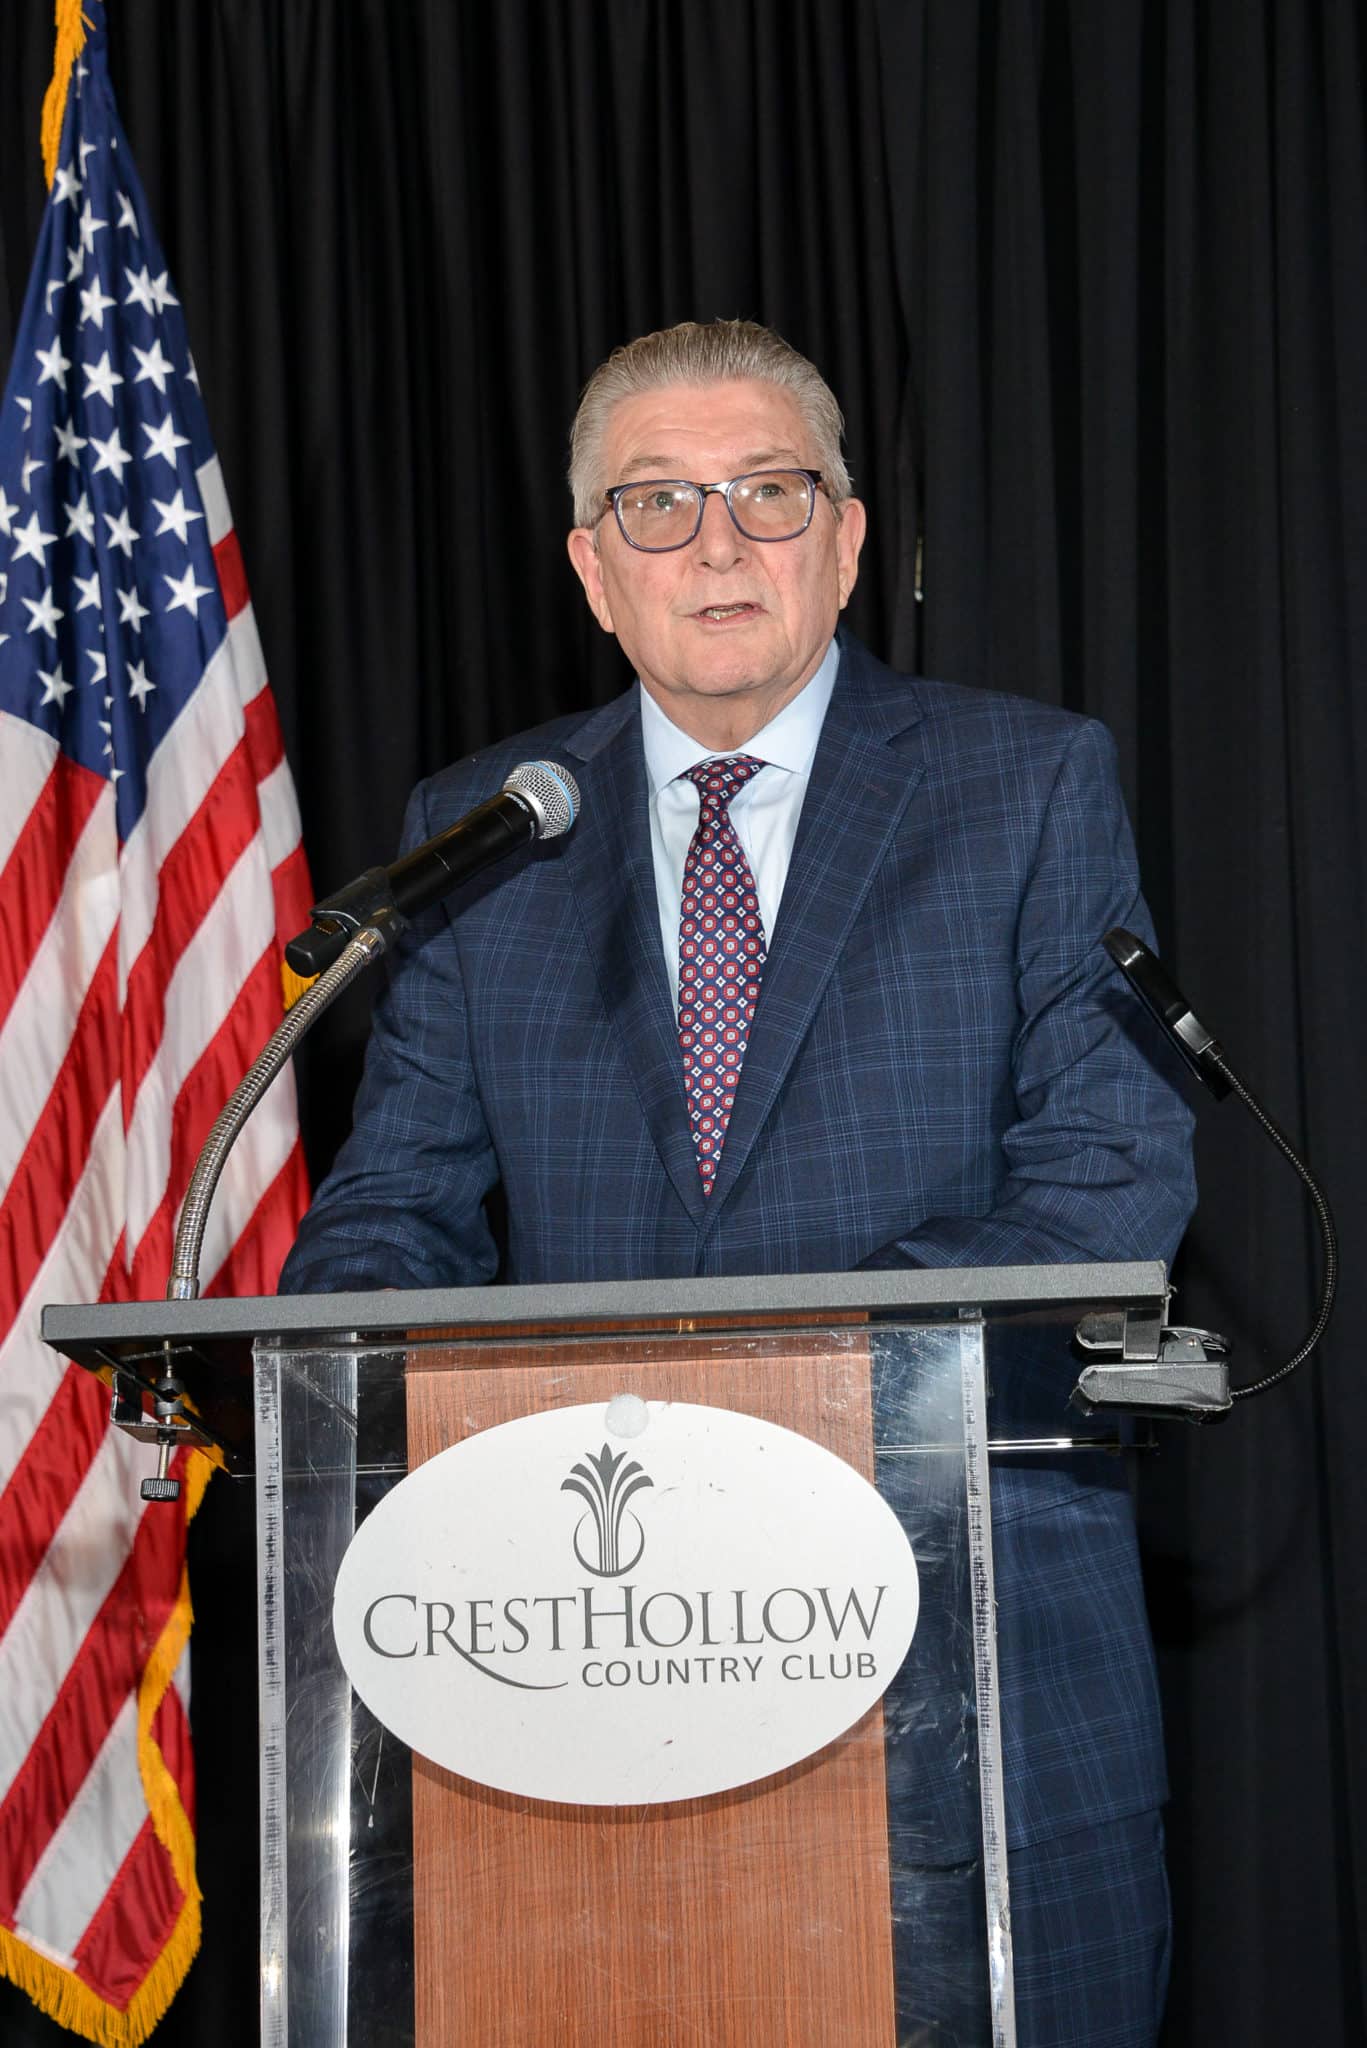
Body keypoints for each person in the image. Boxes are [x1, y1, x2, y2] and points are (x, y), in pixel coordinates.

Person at [280, 319, 1194, 2044]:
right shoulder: (483, 833)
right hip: (575, 1669)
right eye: (659, 504)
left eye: (770, 493)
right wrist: (328, 1360)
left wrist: (793, 1390)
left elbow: (1108, 1173)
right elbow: (394, 1209)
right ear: (591, 570)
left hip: (969, 1649)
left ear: (847, 540)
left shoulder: (1024, 784)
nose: (717, 545)